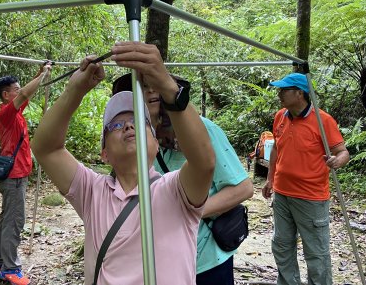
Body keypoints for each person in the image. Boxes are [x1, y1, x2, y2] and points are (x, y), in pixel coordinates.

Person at [31, 41, 216, 285]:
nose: (129, 125)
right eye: (116, 124)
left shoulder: (175, 190)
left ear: (156, 143)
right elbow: (45, 149)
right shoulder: (92, 192)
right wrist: (74, 90)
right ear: (104, 153)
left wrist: (166, 86)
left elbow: (204, 162)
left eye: (139, 122)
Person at [112, 73, 254, 285]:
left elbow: (243, 188)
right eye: (142, 86)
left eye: (155, 84)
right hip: (159, 261)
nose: (151, 90)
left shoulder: (200, 129)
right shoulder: (135, 140)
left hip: (204, 260)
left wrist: (189, 212)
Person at [261, 73, 350, 285]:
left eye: (284, 90)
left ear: (299, 93)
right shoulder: (280, 116)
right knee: (281, 245)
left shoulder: (323, 120)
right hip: (282, 194)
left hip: (311, 197)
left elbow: (343, 151)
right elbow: (276, 150)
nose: (279, 94)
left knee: (316, 251)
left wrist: (337, 161)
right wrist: (270, 179)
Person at [0, 63, 51, 285]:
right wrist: (42, 75)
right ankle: (10, 268)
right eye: (15, 89)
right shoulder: (5, 114)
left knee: (6, 217)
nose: (20, 90)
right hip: (13, 177)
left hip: (15, 175)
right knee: (14, 220)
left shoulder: (13, 112)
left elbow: (25, 94)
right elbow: (25, 93)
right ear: (6, 95)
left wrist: (40, 73)